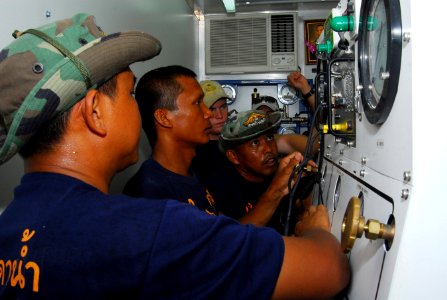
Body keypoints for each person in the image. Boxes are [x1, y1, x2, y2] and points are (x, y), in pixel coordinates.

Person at [0, 14, 350, 299]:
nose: (138, 111)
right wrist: (316, 231)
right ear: (94, 112)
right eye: (129, 93)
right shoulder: (146, 231)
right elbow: (330, 270)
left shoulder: (9, 229)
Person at [207, 109, 317, 233]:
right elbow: (233, 239)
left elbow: (306, 206)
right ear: (234, 156)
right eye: (255, 143)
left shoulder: (284, 174)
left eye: (269, 138)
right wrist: (277, 189)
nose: (268, 149)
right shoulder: (220, 187)